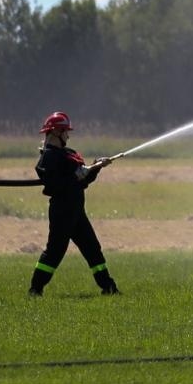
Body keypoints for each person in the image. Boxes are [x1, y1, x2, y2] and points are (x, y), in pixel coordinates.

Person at [29, 111, 121, 297]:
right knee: (55, 252)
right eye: (65, 131)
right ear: (55, 132)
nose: (68, 135)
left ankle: (108, 287)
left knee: (92, 248)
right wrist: (76, 177)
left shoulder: (68, 153)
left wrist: (96, 167)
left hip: (76, 209)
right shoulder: (48, 157)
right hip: (62, 210)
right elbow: (55, 184)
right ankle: (35, 289)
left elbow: (83, 181)